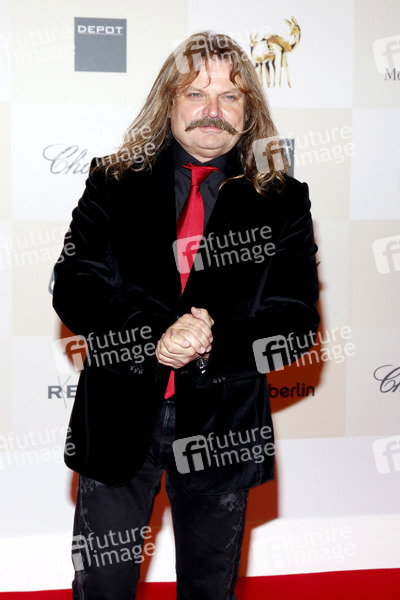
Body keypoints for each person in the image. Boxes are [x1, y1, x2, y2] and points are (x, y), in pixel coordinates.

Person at [53, 31, 319, 600]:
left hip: (224, 429)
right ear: (168, 102)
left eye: (229, 96)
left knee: (208, 590)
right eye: (196, 93)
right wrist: (156, 336)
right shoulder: (113, 181)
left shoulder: (283, 200)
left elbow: (295, 325)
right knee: (102, 587)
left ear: (249, 111)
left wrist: (208, 343)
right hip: (119, 420)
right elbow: (74, 287)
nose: (212, 110)